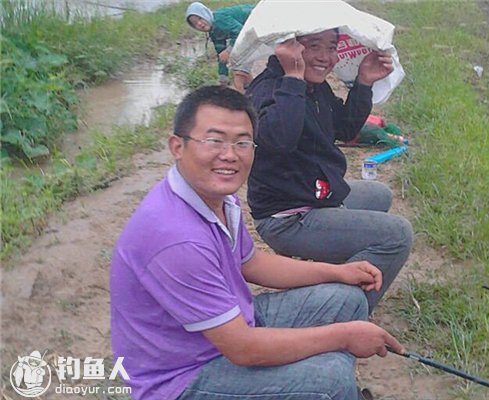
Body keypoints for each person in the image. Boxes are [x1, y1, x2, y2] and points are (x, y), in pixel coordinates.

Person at [110, 86, 404, 400]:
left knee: (347, 300)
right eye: (214, 140)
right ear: (177, 146)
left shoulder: (216, 196)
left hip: (227, 327)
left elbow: (253, 263)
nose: (229, 154)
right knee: (329, 378)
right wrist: (344, 337)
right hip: (181, 375)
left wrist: (338, 272)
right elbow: (244, 349)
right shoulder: (175, 239)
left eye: (242, 142)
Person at [246, 29, 413, 314]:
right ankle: (340, 311)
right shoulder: (268, 88)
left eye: (332, 47)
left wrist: (363, 83)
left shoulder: (315, 87)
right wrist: (293, 79)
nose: (325, 57)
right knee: (397, 235)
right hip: (288, 217)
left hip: (315, 195)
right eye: (313, 46)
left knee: (378, 194)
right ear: (290, 47)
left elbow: (346, 128)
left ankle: (329, 280)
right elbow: (280, 140)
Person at [186, 2, 254, 92]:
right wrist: (223, 77)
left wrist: (228, 51)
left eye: (200, 18)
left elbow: (241, 32)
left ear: (206, 14)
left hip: (258, 16)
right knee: (239, 61)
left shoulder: (219, 19)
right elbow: (221, 54)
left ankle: (242, 94)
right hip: (250, 29)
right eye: (195, 23)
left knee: (238, 65)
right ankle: (251, 87)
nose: (199, 24)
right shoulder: (213, 31)